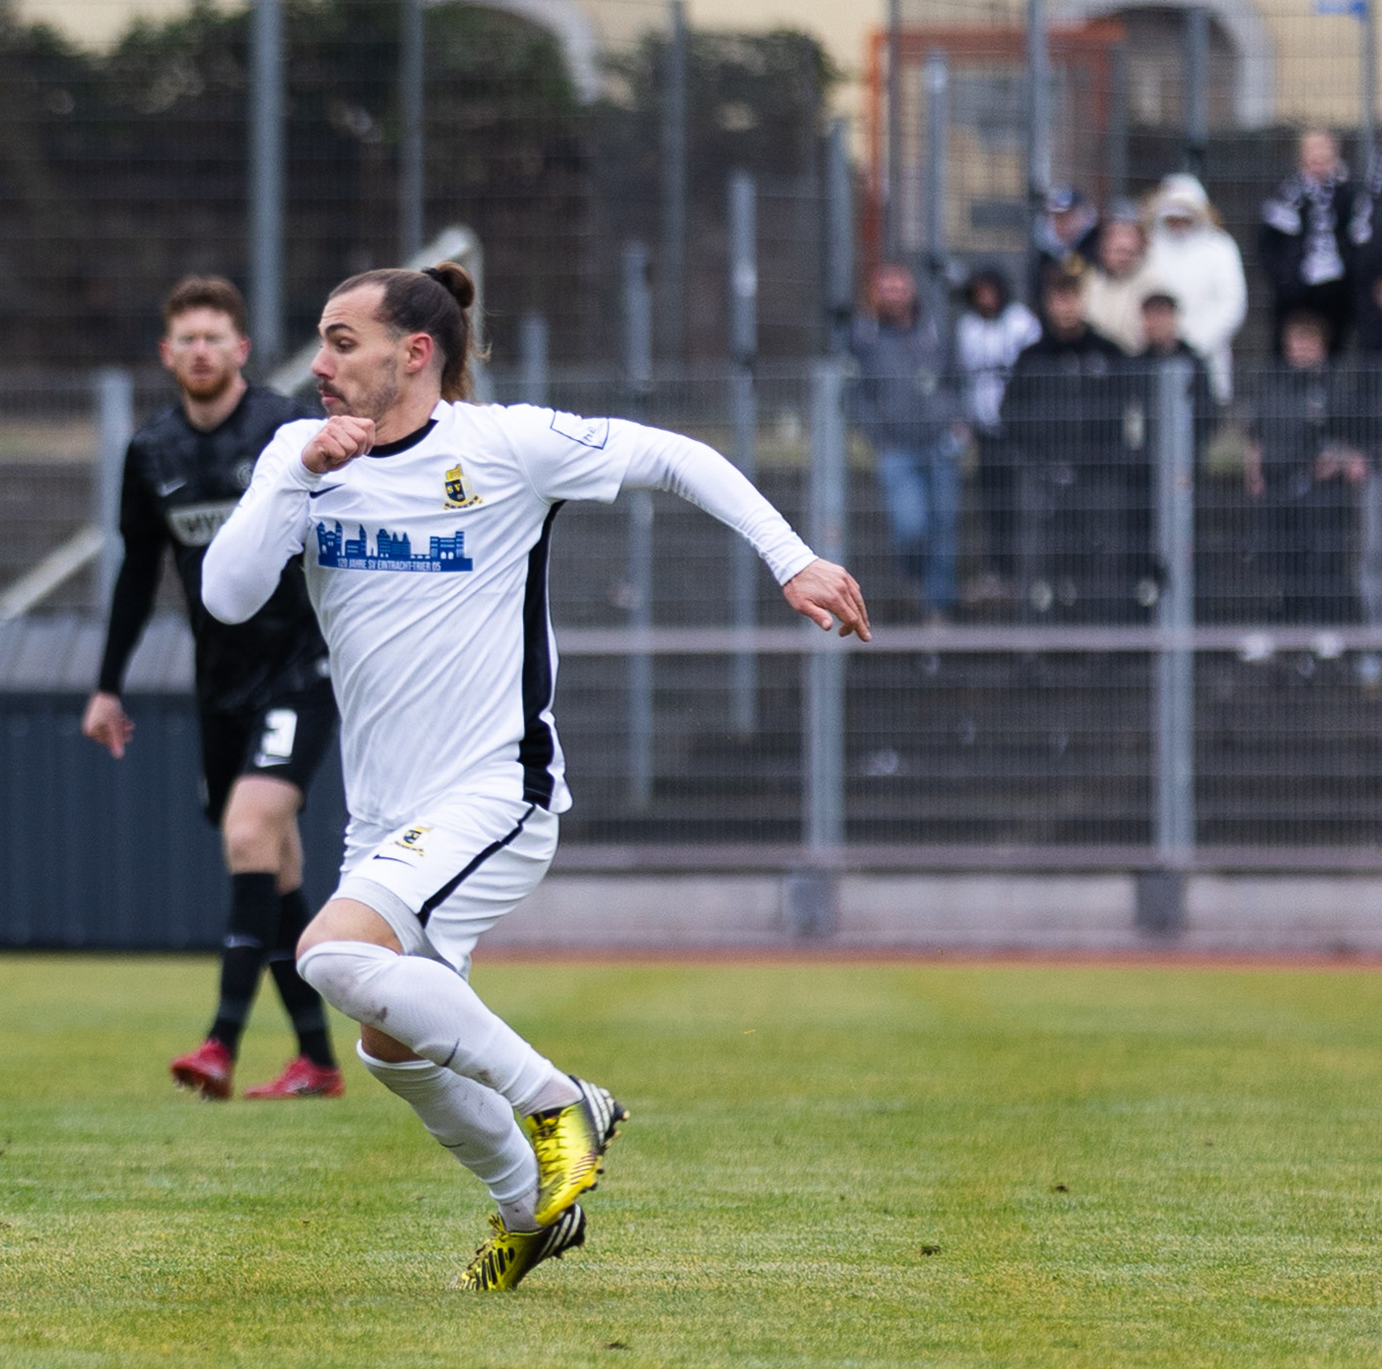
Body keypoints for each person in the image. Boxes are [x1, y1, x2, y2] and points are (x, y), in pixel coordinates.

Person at [199, 262, 868, 1290]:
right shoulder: (300, 453)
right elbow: (229, 597)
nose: (320, 364)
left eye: (342, 341)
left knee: (329, 954)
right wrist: (296, 475)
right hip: (383, 815)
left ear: (414, 353)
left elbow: (675, 456)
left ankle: (564, 1102)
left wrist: (792, 560)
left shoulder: (503, 445)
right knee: (390, 1044)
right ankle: (530, 1209)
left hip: (495, 792)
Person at [83, 275, 339, 1099]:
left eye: (213, 337)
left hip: (300, 667)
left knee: (248, 830)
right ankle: (318, 1061)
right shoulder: (151, 450)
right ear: (168, 354)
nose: (200, 350)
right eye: (185, 339)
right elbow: (135, 571)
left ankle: (221, 1044)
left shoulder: (284, 431)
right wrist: (107, 686)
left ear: (241, 350)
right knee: (273, 861)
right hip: (219, 681)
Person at [1000, 272, 1148, 619]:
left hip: (1100, 478)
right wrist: (1038, 456)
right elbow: (1011, 413)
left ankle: (1103, 645)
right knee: (1039, 562)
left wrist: (1113, 455)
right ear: (1047, 305)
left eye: (1072, 298)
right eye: (1059, 299)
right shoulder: (1031, 358)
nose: (1067, 308)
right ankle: (1037, 647)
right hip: (1044, 477)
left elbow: (1133, 410)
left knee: (1103, 561)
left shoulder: (1108, 352)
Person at [845, 260, 965, 621]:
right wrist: (878, 435)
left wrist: (959, 421)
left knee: (943, 527)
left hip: (941, 445)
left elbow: (958, 379)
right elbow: (853, 394)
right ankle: (917, 584)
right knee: (911, 527)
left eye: (900, 283)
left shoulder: (936, 329)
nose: (894, 291)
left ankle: (937, 611)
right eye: (886, 285)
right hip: (897, 449)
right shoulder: (864, 337)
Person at [1244, 311, 1370, 624]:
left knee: (1322, 562)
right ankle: (1286, 628)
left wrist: (1339, 459)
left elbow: (1357, 441)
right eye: (1294, 342)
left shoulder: (1336, 387)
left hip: (1319, 492)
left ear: (1322, 346)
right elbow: (1256, 434)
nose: (1299, 349)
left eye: (1306, 342)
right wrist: (1254, 470)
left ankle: (1328, 631)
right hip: (1275, 488)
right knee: (1278, 560)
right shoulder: (1274, 385)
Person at [1105, 175, 1247, 403]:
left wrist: (1196, 344)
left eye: (1185, 217)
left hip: (1207, 357)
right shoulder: (1152, 248)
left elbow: (1233, 303)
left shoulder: (1220, 247)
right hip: (1156, 359)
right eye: (1173, 217)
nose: (1179, 223)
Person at [954, 263, 1039, 604]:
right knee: (994, 505)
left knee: (1023, 504)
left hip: (1019, 431)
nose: (986, 299)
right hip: (985, 431)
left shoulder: (1021, 323)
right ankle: (999, 571)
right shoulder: (968, 327)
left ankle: (1028, 574)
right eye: (979, 293)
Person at [1254, 129, 1368, 356]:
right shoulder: (1284, 194)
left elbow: (1359, 238)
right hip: (1294, 291)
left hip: (1336, 289)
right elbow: (1268, 244)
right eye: (1312, 150)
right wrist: (1285, 278)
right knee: (1289, 352)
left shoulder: (1349, 194)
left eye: (1323, 149)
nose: (1318, 156)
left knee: (1336, 349)